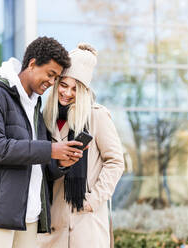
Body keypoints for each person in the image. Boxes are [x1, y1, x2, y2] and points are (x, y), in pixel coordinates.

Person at [0, 36, 85, 248]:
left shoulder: (35, 106)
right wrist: (50, 149)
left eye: (56, 77)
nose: (51, 82)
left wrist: (60, 164)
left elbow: (37, 163)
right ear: (32, 63)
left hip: (29, 216)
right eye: (50, 74)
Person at [38, 43, 125, 248]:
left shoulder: (97, 116)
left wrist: (93, 199)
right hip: (53, 224)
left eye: (75, 89)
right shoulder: (45, 118)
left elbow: (115, 162)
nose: (67, 93)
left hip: (87, 224)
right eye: (64, 85)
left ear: (84, 91)